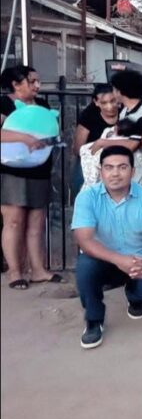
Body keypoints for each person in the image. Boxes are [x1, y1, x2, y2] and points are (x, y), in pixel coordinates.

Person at [71, 146, 142, 349]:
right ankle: (94, 320)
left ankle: (134, 294)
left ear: (133, 172)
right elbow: (84, 240)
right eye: (109, 167)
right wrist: (119, 260)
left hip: (139, 260)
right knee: (85, 267)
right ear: (100, 171)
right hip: (104, 259)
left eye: (122, 167)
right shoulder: (87, 197)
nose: (115, 173)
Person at [1, 65, 65, 290]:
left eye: (38, 81)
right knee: (14, 220)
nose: (37, 85)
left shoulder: (43, 105)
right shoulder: (4, 104)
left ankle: (38, 269)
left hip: (39, 168)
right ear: (16, 84)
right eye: (32, 81)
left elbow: (51, 131)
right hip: (11, 170)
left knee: (37, 221)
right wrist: (25, 138)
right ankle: (14, 271)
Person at [107, 70, 142, 186]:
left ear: (120, 91)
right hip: (127, 168)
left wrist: (103, 143)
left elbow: (131, 145)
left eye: (114, 89)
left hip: (141, 174)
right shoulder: (125, 111)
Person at [72, 84, 120, 196]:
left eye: (113, 101)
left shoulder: (125, 112)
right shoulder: (89, 116)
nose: (109, 106)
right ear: (96, 102)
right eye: (104, 103)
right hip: (91, 159)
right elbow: (78, 149)